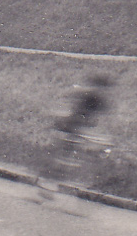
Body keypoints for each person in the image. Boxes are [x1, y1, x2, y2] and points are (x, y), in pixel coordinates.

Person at [39, 74, 114, 203]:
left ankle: (53, 184)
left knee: (70, 159)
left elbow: (96, 117)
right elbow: (74, 112)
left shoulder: (98, 99)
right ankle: (48, 184)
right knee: (65, 158)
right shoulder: (87, 96)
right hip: (73, 127)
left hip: (81, 129)